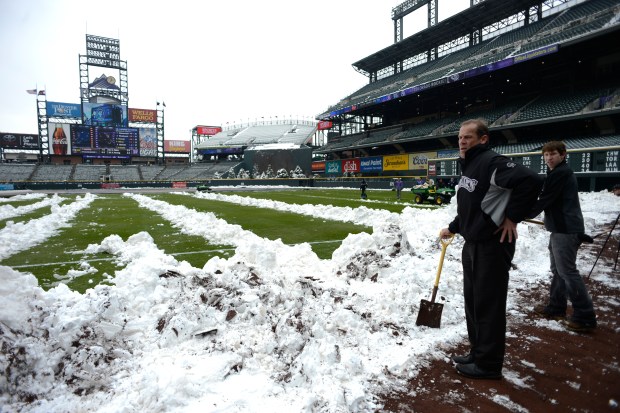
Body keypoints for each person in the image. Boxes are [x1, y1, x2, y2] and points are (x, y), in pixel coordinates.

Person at [439, 119, 543, 380]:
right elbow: (472, 207)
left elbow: (530, 180)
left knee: (489, 305)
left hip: (492, 246)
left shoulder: (491, 162)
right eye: (460, 138)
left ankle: (489, 364)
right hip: (473, 244)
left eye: (468, 137)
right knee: (474, 302)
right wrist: (453, 227)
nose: (462, 141)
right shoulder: (470, 165)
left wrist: (512, 217)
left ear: (483, 139)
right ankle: (478, 352)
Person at [529, 141, 597, 332]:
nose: (549, 158)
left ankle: (585, 316)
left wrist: (518, 215)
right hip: (560, 229)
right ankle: (556, 307)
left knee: (567, 272)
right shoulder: (557, 173)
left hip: (566, 231)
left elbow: (544, 199)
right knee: (558, 271)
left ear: (563, 155)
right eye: (546, 155)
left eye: (553, 154)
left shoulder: (561, 173)